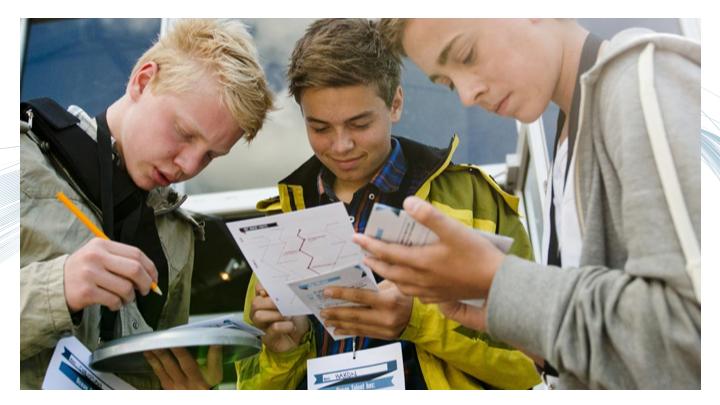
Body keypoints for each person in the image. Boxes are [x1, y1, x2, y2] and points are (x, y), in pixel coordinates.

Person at [356, 18, 701, 388]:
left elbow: (695, 336)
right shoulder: (569, 144)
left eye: (466, 54)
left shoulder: (638, 81)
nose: (468, 95)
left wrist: (499, 279)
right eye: (448, 83)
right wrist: (499, 311)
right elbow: (616, 356)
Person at [235, 18, 540, 390]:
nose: (341, 145)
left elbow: (535, 363)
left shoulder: (474, 202)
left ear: (395, 103)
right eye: (320, 128)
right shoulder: (282, 220)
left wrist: (419, 322)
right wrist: (284, 352)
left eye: (359, 123)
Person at [20, 19, 274, 389]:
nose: (188, 166)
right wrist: (58, 287)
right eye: (185, 133)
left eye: (210, 157)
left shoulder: (177, 232)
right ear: (142, 80)